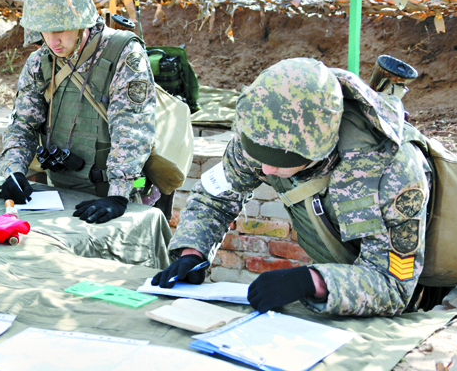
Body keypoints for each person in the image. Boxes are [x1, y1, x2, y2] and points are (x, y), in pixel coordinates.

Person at [152, 57, 434, 317]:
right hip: (339, 276)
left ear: (318, 151)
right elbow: (215, 198)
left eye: (277, 164)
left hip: (405, 289)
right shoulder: (265, 130)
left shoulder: (392, 171)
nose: (265, 170)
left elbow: (394, 285)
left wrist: (311, 281)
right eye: (260, 158)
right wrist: (193, 251)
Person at [0, 0, 156, 224]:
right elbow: (22, 126)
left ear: (82, 20)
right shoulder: (40, 62)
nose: (52, 41)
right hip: (60, 193)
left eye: (60, 29)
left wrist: (118, 195)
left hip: (114, 197)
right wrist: (12, 171)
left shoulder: (123, 54)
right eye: (45, 31)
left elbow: (132, 127)